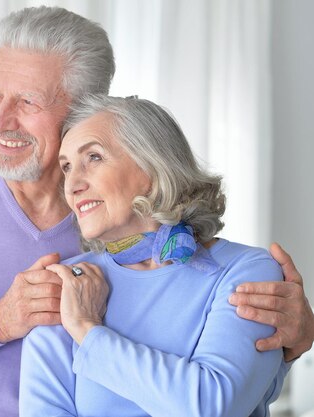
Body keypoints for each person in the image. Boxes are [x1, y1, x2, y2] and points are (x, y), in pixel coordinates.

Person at [0, 6, 314, 417]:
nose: (0, 120)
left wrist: (285, 347)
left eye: (27, 101)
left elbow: (215, 381)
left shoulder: (118, 227)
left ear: (83, 111)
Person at [20, 95, 285, 416]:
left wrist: (87, 331)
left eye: (93, 157)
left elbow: (213, 407)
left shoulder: (246, 271)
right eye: (67, 167)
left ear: (152, 166)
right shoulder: (65, 285)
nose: (73, 184)